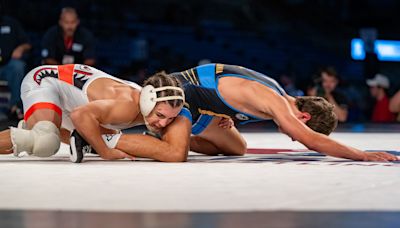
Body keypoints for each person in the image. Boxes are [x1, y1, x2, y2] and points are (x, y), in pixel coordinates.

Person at [74, 63, 398, 162]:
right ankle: (106, 140)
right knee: (175, 155)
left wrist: (225, 111)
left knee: (238, 148)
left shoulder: (275, 95)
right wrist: (364, 155)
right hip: (180, 93)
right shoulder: (278, 103)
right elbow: (311, 140)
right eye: (298, 131)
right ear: (305, 117)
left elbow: (227, 89)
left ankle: (162, 138)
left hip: (202, 104)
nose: (293, 137)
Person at [0, 64, 186, 162]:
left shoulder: (142, 104)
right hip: (45, 81)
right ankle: (37, 130)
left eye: (171, 119)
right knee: (46, 141)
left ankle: (33, 126)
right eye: (160, 116)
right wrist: (105, 152)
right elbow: (80, 116)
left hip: (70, 100)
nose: (163, 124)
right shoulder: (127, 105)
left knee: (101, 136)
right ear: (147, 100)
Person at [0, 13, 31, 119]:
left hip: (8, 63)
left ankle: (15, 106)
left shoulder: (10, 23)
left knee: (18, 66)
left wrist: (20, 48)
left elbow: (27, 43)